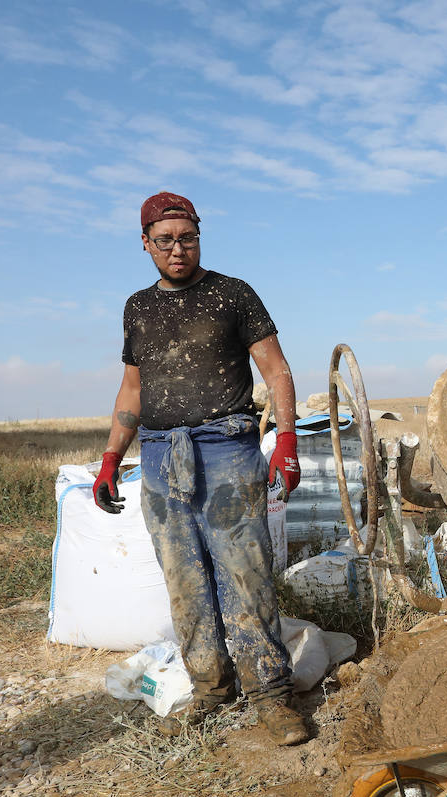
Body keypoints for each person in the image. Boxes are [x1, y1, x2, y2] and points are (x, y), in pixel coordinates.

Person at [92, 191, 307, 746]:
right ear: (145, 244)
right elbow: (133, 387)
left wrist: (286, 439)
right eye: (164, 240)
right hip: (162, 456)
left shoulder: (233, 294)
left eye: (187, 237)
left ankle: (270, 695)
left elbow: (277, 370)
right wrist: (113, 455)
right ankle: (211, 686)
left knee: (245, 570)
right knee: (183, 576)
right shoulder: (137, 307)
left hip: (228, 450)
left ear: (198, 238)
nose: (177, 249)